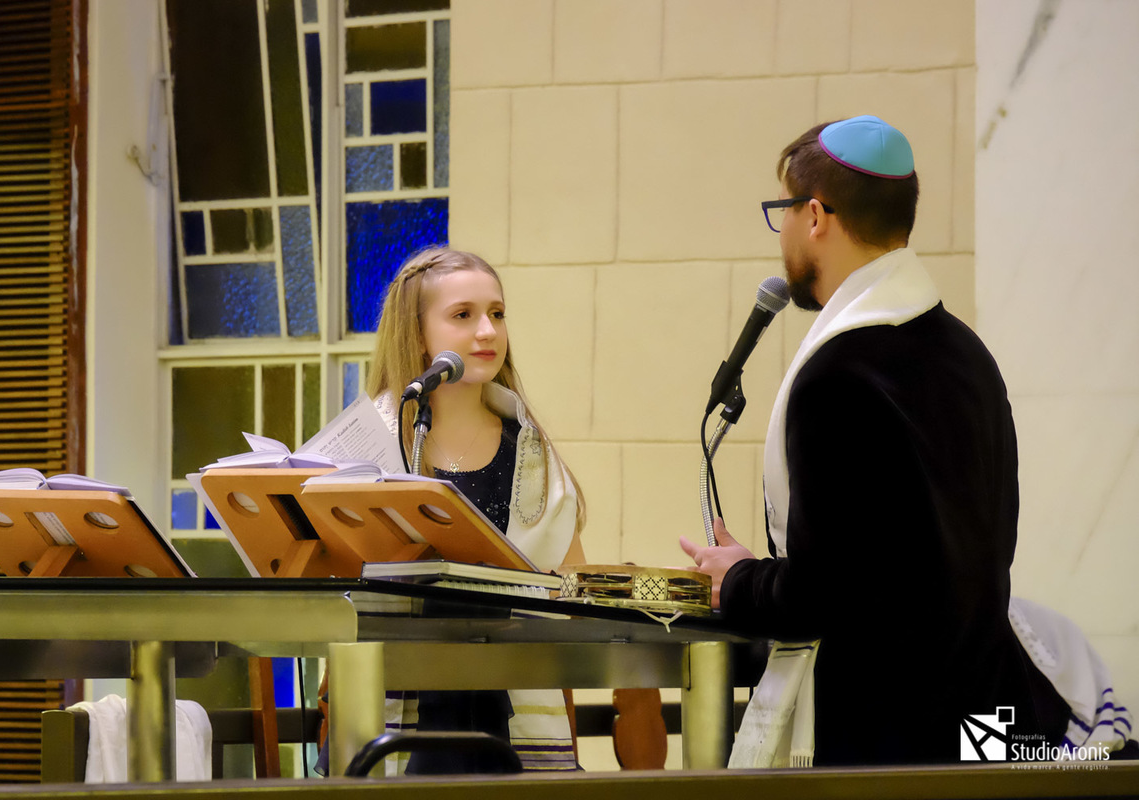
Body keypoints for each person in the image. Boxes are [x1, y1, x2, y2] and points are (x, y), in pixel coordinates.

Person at [680, 115, 1070, 766]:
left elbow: (827, 593)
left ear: (814, 216)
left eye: (784, 214)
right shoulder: (968, 354)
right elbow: (925, 566)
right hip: (980, 716)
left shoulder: (837, 376)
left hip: (886, 732)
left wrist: (741, 581)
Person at [367, 246, 586, 774]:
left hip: (503, 703)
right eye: (463, 315)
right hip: (394, 703)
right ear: (416, 334)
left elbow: (572, 578)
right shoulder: (369, 443)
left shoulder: (531, 451)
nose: (487, 331)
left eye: (497, 313)